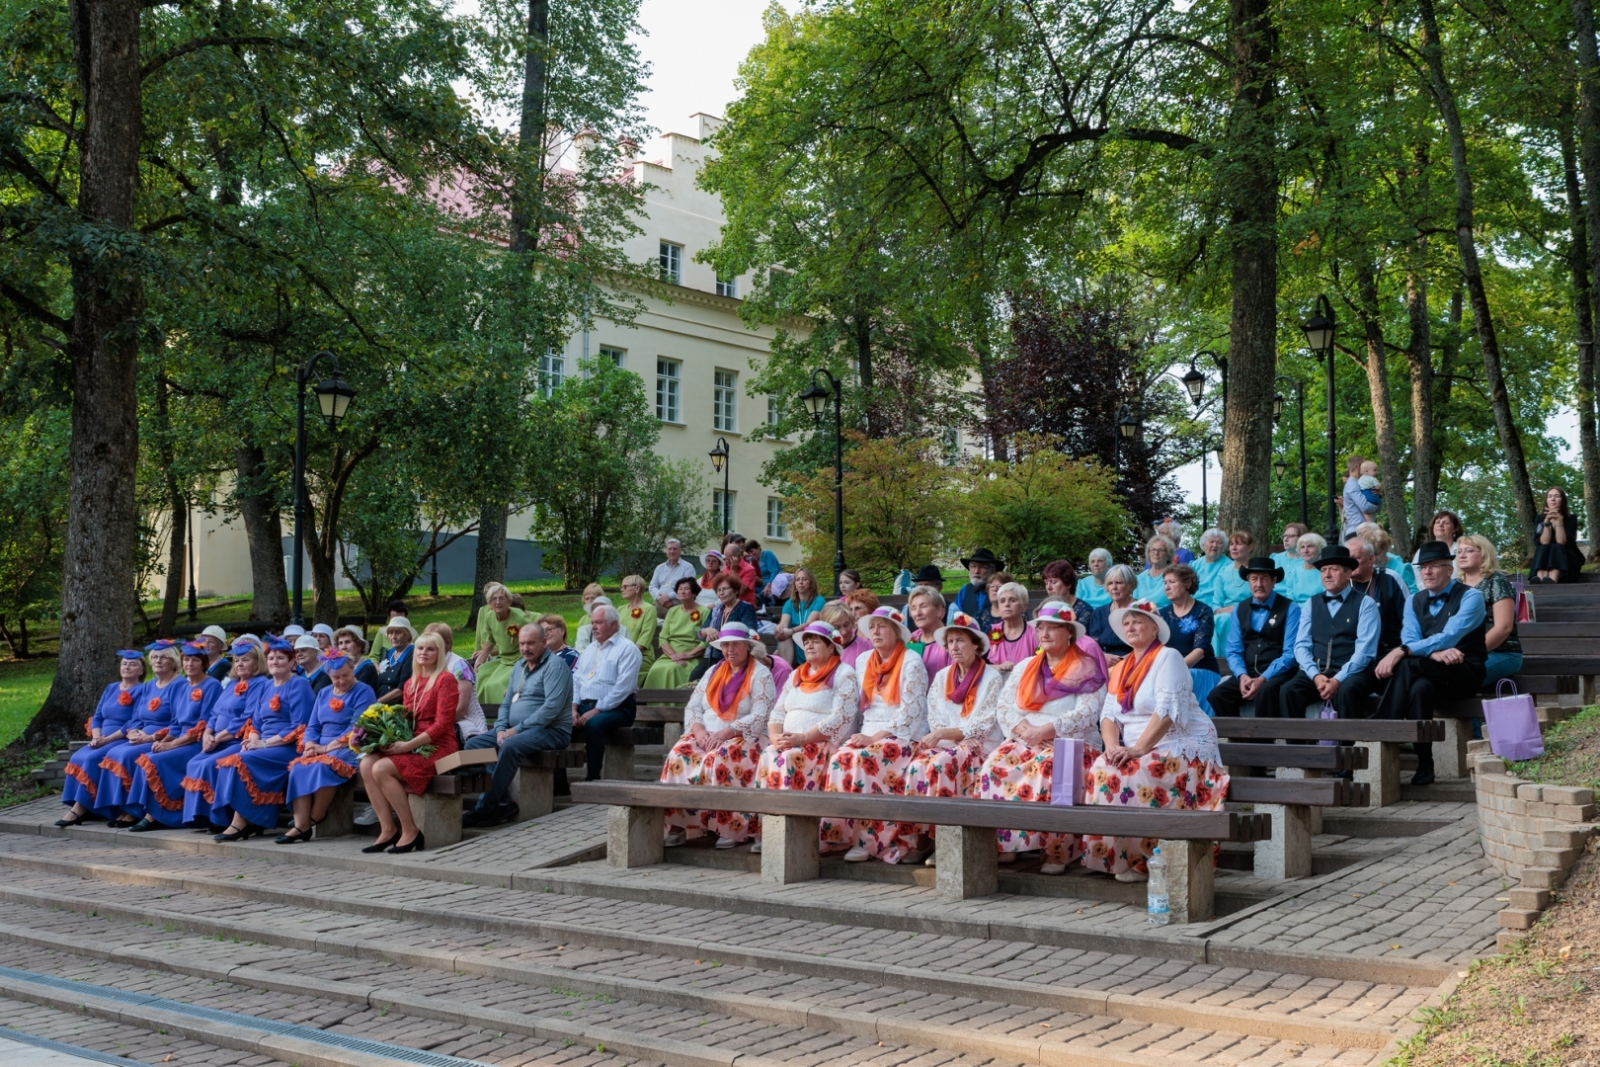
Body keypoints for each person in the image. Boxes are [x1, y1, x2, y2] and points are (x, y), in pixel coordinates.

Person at [1082, 600, 1229, 882]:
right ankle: (1119, 857)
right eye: (1126, 623)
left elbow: (1167, 713)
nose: (1131, 626)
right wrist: (1112, 746)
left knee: (1139, 770)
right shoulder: (1123, 666)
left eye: (1137, 621)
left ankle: (1146, 861)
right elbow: (1109, 716)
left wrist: (1138, 749)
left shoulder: (1168, 657)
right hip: (1142, 745)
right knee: (1103, 766)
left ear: (1154, 628)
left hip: (1182, 742)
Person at [977, 602, 1109, 874]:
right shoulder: (1026, 665)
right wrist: (1028, 732)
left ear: (1069, 632)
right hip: (1026, 739)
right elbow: (1004, 706)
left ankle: (1057, 851)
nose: (1045, 633)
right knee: (994, 766)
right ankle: (1007, 845)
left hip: (1071, 742)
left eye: (1053, 628)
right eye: (1041, 628)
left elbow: (1087, 713)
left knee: (1051, 768)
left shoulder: (1087, 667)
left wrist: (1046, 731)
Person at [1374, 540, 1487, 785]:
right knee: (1418, 688)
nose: (1427, 571)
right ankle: (1425, 764)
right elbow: (1410, 638)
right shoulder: (1415, 600)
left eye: (1434, 566)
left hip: (1464, 671)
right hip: (1430, 670)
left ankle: (1385, 723)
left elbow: (1451, 636)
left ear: (1449, 569)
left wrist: (1402, 651)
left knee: (1404, 663)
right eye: (1423, 567)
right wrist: (1432, 653)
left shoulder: (1472, 597)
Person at [823, 607, 929, 863]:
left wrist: (873, 739)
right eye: (873, 627)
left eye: (883, 626)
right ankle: (840, 835)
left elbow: (910, 714)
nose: (877, 631)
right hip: (869, 732)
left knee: (865, 759)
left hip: (903, 735)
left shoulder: (911, 661)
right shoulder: (864, 659)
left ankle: (868, 841)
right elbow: (857, 708)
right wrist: (843, 738)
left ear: (896, 631)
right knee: (840, 758)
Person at [901, 612, 1006, 867]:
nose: (954, 647)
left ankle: (945, 843)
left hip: (980, 743)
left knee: (942, 764)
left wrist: (947, 735)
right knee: (915, 765)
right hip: (948, 742)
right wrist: (944, 736)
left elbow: (983, 724)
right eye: (950, 642)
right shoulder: (942, 676)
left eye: (960, 640)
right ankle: (922, 839)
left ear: (975, 644)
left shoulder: (991, 677)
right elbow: (935, 717)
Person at [660, 621, 776, 848]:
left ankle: (729, 828)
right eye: (725, 645)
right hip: (706, 733)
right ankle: (680, 824)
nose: (729, 649)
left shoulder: (761, 674)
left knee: (720, 759)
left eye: (735, 644)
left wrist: (727, 731)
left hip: (742, 736)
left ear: (747, 646)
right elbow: (694, 706)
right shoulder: (713, 671)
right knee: (679, 755)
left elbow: (761, 714)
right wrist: (699, 731)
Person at [753, 621, 861, 854]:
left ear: (831, 647)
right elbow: (778, 711)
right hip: (790, 741)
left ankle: (795, 835)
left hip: (819, 742)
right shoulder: (796, 674)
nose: (809, 644)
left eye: (815, 641)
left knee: (787, 759)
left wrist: (802, 738)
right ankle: (772, 831)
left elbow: (841, 716)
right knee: (769, 754)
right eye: (806, 641)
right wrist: (774, 738)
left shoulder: (844, 673)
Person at [461, 622, 575, 827]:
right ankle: (503, 801)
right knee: (473, 746)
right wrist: (501, 728)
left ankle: (484, 809)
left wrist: (514, 731)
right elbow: (506, 703)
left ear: (544, 642)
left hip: (551, 730)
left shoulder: (555, 667)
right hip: (517, 730)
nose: (525, 648)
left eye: (531, 643)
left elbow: (551, 709)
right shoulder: (519, 666)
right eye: (522, 643)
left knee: (510, 746)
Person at [360, 631, 460, 853]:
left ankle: (410, 830)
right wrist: (385, 738)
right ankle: (387, 829)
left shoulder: (446, 679)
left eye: (430, 649)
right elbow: (405, 720)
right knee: (367, 763)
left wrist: (407, 746)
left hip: (437, 744)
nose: (424, 653)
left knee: (382, 768)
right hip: (412, 740)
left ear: (439, 653)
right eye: (421, 648)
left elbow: (443, 725)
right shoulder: (411, 683)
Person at [210, 636, 316, 842]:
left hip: (288, 746)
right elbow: (256, 722)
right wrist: (252, 740)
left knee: (239, 761)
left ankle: (240, 823)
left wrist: (264, 743)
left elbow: (298, 726)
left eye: (281, 658)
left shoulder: (299, 685)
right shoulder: (267, 686)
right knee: (231, 759)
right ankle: (245, 820)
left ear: (292, 662)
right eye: (271, 658)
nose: (275, 662)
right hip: (264, 744)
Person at [275, 652, 378, 843]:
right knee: (299, 767)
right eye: (335, 677)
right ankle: (300, 823)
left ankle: (315, 817)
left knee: (324, 766)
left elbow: (357, 726)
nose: (341, 681)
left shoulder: (364, 691)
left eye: (345, 675)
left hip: (349, 745)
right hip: (322, 745)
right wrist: (310, 744)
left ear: (353, 671)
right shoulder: (323, 692)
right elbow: (313, 725)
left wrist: (327, 748)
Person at [123, 642, 222, 832]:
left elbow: (204, 725)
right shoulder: (185, 688)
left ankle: (156, 816)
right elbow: (176, 723)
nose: (190, 664)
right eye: (187, 660)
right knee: (149, 756)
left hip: (196, 742)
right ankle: (150, 811)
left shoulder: (212, 685)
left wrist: (171, 745)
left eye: (195, 660)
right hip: (180, 739)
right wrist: (164, 741)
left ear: (203, 664)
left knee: (156, 761)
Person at [1278, 545, 1381, 721]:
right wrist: (1315, 676)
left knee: (1346, 691)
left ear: (1348, 574)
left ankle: (1348, 746)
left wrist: (1337, 679)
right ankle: (1295, 746)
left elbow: (1365, 652)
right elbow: (1301, 645)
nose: (1327, 575)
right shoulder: (1311, 603)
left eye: (1333, 569)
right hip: (1317, 672)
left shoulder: (1366, 604)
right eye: (1323, 570)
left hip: (1353, 672)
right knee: (1288, 691)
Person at [93, 641, 188, 826]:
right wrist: (133, 731)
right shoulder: (149, 685)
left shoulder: (179, 684)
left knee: (128, 754)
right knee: (114, 752)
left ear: (173, 662)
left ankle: (135, 810)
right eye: (154, 657)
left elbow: (177, 721)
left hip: (163, 736)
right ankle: (121, 807)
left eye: (163, 657)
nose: (158, 661)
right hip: (141, 734)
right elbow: (137, 716)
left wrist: (152, 737)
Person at [180, 639, 270, 831]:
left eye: (245, 660)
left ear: (257, 662)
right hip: (217, 738)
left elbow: (247, 717)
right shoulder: (231, 684)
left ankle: (221, 817)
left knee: (210, 764)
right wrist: (207, 733)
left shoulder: (260, 683)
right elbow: (214, 713)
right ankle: (202, 816)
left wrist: (219, 737)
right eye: (237, 660)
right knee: (194, 762)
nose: (240, 664)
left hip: (236, 740)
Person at [58, 647, 148, 826]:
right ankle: (89, 807)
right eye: (124, 664)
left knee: (92, 759)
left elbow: (133, 720)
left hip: (120, 737)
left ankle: (78, 809)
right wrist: (96, 736)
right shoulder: (111, 688)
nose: (127, 667)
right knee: (78, 757)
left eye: (132, 664)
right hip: (101, 736)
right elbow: (98, 716)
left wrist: (107, 740)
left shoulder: (143, 690)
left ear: (141, 670)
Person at [1208, 557, 1300, 718]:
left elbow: (1290, 654)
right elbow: (1233, 649)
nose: (1258, 584)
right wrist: (1242, 675)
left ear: (1273, 580)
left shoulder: (1291, 608)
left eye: (1264, 578)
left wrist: (1264, 677)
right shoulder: (1239, 609)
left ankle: (1264, 741)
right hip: (1248, 672)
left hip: (1279, 673)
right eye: (1254, 579)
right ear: (1248, 582)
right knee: (1217, 696)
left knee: (1266, 690)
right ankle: (1240, 739)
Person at [570, 603, 642, 782]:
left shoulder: (627, 649)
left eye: (599, 622)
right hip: (585, 706)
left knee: (594, 725)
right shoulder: (588, 650)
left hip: (619, 708)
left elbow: (623, 687)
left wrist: (597, 709)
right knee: (559, 723)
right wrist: (573, 708)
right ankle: (559, 783)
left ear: (614, 625)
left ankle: (592, 779)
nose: (593, 627)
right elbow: (577, 681)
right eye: (593, 622)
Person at [1457, 534, 1522, 685]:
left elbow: (1503, 627)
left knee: (1455, 677)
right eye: (1459, 551)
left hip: (1502, 653)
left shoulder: (1497, 582)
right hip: (1462, 653)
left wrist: (1469, 652)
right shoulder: (1455, 585)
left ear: (1484, 555)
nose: (1462, 555)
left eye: (1469, 551)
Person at [472, 582, 531, 718]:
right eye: (494, 599)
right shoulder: (488, 616)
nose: (497, 602)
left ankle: (504, 718)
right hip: (504, 660)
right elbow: (490, 640)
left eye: (501, 598)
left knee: (497, 684)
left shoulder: (519, 618)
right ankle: (483, 718)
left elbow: (533, 638)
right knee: (481, 676)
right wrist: (480, 658)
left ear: (509, 601)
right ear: (489, 603)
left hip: (520, 659)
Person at [1346, 536, 1407, 658]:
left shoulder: (1390, 579)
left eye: (1356, 558)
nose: (1350, 563)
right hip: (1349, 653)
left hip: (1388, 652)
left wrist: (1401, 651)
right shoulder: (1340, 583)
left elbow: (1409, 620)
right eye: (1347, 559)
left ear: (1370, 559)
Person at [426, 622, 486, 740]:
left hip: (465, 724)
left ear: (447, 644)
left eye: (436, 640)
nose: (430, 644)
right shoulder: (426, 666)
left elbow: (461, 709)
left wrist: (435, 727)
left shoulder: (459, 666)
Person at [643, 577, 707, 688]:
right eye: (680, 589)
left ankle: (674, 704)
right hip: (670, 656)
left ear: (694, 593)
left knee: (672, 669)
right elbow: (663, 637)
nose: (682, 591)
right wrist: (673, 655)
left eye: (686, 588)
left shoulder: (704, 611)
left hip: (692, 657)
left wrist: (688, 655)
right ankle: (652, 704)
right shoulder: (672, 611)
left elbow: (706, 641)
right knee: (654, 670)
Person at [693, 573, 758, 680]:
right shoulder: (716, 609)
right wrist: (707, 631)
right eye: (718, 590)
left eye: (724, 589)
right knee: (695, 677)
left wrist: (721, 635)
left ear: (736, 590)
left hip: (735, 655)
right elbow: (700, 634)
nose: (721, 593)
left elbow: (751, 633)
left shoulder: (745, 607)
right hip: (713, 656)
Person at [1160, 565, 1217, 672]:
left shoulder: (1203, 611)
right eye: (1165, 583)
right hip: (1169, 672)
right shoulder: (1161, 614)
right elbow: (1150, 647)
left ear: (1188, 584)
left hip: (1199, 669)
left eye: (1172, 582)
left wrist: (1175, 670)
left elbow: (1200, 651)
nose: (1167, 587)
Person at [774, 567, 827, 664]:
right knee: (783, 637)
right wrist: (779, 630)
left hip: (811, 637)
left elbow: (810, 623)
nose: (800, 582)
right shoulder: (789, 603)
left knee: (784, 641)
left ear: (811, 583)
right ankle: (786, 674)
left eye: (804, 579)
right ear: (794, 584)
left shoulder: (819, 600)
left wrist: (791, 631)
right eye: (797, 580)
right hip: (793, 642)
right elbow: (783, 623)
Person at [1531, 487, 1584, 583]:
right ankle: (1540, 579)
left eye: (1557, 496)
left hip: (1567, 561)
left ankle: (1552, 581)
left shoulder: (1571, 518)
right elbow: (1544, 541)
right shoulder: (1540, 518)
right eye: (1549, 496)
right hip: (1546, 560)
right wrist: (1546, 521)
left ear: (1562, 500)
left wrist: (1559, 522)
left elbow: (1561, 541)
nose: (1553, 499)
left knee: (1557, 547)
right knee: (1543, 547)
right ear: (1546, 500)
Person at [1087, 564, 1137, 663]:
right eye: (1110, 583)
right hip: (1105, 663)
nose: (1114, 587)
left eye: (1118, 582)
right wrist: (1103, 656)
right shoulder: (1099, 613)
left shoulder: (1141, 610)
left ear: (1130, 585)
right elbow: (1092, 646)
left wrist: (1125, 659)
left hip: (1135, 662)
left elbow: (1150, 644)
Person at [617, 574, 659, 685]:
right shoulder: (620, 610)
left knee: (619, 672)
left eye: (625, 586)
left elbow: (644, 638)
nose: (622, 589)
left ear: (637, 588)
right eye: (621, 587)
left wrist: (624, 657)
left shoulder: (649, 609)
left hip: (640, 657)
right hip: (619, 656)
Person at [986, 581, 1038, 671]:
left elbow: (1041, 664)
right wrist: (999, 667)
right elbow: (980, 666)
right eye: (1002, 601)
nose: (1006, 604)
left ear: (1023, 606)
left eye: (1012, 600)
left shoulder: (1035, 633)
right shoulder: (991, 630)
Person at [1355, 521, 1418, 594]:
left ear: (1386, 548)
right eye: (1370, 556)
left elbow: (1414, 596)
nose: (1374, 559)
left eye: (1377, 553)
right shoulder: (1364, 569)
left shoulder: (1402, 569)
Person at [948, 548, 1002, 628]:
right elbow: (957, 617)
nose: (976, 571)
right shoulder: (964, 590)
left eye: (982, 567)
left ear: (993, 570)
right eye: (973, 566)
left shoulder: (1001, 590)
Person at [906, 585, 951, 676]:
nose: (918, 613)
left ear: (940, 611)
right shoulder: (910, 639)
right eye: (913, 608)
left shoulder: (951, 640)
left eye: (923, 606)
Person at [373, 617, 417, 704]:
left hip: (397, 707)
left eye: (398, 632)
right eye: (390, 633)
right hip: (380, 704)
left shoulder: (412, 653)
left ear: (408, 635)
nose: (393, 636)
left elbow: (402, 689)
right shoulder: (390, 652)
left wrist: (375, 703)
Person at [649, 538, 699, 612]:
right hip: (660, 604)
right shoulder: (660, 568)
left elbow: (689, 588)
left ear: (680, 551)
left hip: (679, 606)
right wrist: (660, 598)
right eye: (670, 549)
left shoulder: (687, 567)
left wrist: (669, 597)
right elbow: (652, 586)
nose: (672, 551)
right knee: (646, 616)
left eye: (675, 549)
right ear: (666, 551)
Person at [822, 601, 872, 668]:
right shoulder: (821, 648)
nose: (844, 632)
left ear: (852, 621)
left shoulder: (866, 646)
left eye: (846, 625)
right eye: (837, 628)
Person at [1283, 532, 1329, 604]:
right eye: (1302, 547)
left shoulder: (1326, 573)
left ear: (1319, 549)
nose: (1305, 551)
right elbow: (1290, 602)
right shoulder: (1293, 574)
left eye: (1310, 546)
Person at [1135, 536, 1175, 608]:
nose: (1156, 553)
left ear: (1168, 554)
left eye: (1161, 550)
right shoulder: (1139, 578)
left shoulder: (1174, 576)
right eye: (1152, 549)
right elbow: (1134, 604)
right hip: (1142, 617)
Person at [1342, 455, 1373, 538]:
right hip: (1357, 532)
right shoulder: (1352, 484)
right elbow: (1365, 507)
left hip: (1364, 531)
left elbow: (1376, 508)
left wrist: (1378, 496)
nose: (1366, 470)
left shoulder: (1360, 483)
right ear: (1358, 466)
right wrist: (1373, 503)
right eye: (1364, 466)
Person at [574, 583, 608, 650]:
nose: (590, 601)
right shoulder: (583, 619)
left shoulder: (607, 617)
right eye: (587, 599)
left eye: (593, 598)